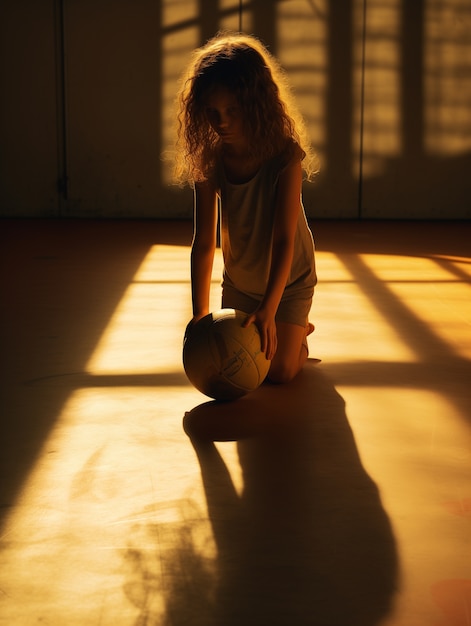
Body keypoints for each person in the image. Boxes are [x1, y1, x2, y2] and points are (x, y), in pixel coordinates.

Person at [175, 32, 318, 384]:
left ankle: (298, 338)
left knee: (280, 372)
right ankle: (290, 331)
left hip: (288, 283)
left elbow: (285, 240)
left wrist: (270, 310)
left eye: (232, 111)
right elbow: (204, 241)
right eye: (212, 112)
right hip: (240, 282)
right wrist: (199, 316)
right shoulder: (209, 159)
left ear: (255, 104)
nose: (221, 122)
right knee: (224, 369)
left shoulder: (284, 156)